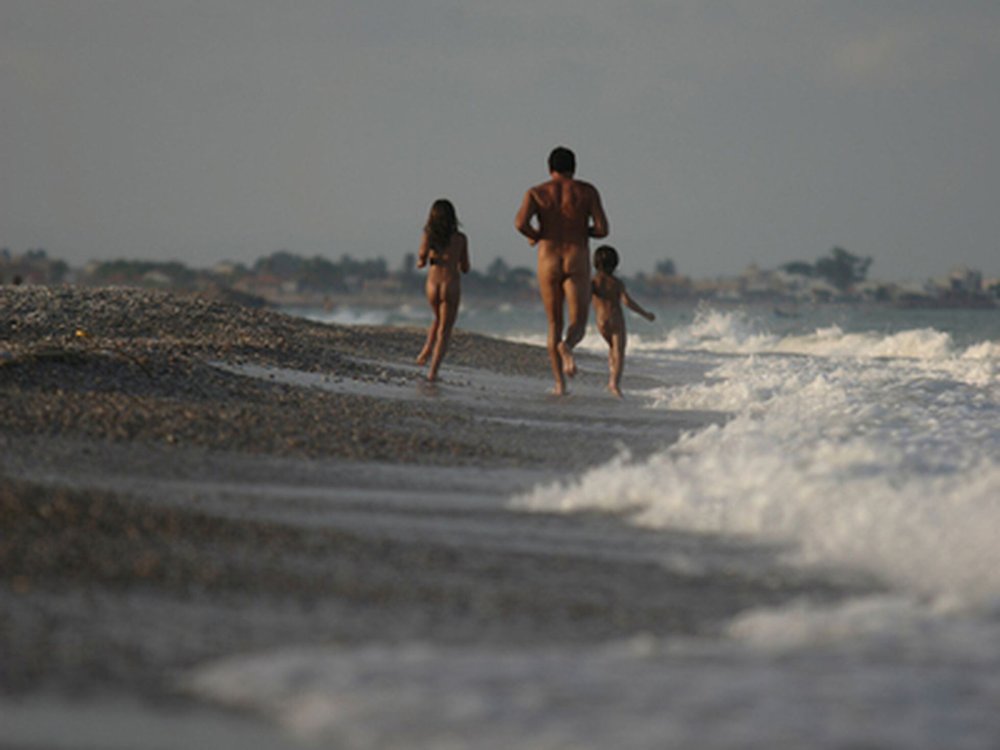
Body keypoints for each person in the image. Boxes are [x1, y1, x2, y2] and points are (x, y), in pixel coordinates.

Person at [515, 146, 608, 395]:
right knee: (577, 321)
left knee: (554, 322)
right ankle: (568, 346)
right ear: (574, 168)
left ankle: (559, 385)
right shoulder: (587, 191)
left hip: (548, 257)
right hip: (576, 256)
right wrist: (580, 229)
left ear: (549, 168)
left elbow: (520, 223)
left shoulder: (536, 193)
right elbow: (602, 229)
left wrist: (536, 236)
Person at [415, 199, 470, 382]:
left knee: (437, 318)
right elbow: (466, 267)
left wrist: (424, 260)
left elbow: (421, 259)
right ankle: (433, 371)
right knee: (445, 330)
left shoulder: (429, 236)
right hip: (451, 284)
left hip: (433, 284)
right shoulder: (460, 239)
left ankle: (426, 349)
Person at [591, 245, 655, 397]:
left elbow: (583, 298)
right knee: (619, 352)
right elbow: (627, 302)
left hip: (601, 322)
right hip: (616, 321)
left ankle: (611, 376)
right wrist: (645, 314)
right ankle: (614, 383)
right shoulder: (617, 283)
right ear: (615, 264)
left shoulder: (593, 283)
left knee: (611, 349)